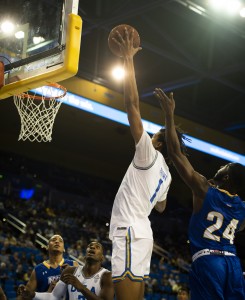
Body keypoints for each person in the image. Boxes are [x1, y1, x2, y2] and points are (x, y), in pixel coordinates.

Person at [109, 28, 187, 300]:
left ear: (159, 144)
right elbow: (162, 206)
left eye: (154, 134)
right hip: (143, 233)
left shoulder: (147, 154)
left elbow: (132, 105)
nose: (149, 134)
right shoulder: (167, 175)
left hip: (129, 230)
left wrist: (128, 59)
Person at [154, 88, 245, 299]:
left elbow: (175, 153)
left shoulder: (204, 188)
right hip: (233, 264)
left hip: (209, 261)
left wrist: (169, 114)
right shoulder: (241, 206)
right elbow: (239, 227)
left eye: (226, 166)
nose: (221, 166)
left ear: (227, 178)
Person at [18, 241, 114, 300]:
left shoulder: (107, 276)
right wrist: (33, 294)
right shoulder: (70, 271)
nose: (92, 247)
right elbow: (54, 297)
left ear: (102, 258)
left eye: (97, 247)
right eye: (90, 246)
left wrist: (81, 287)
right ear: (85, 255)